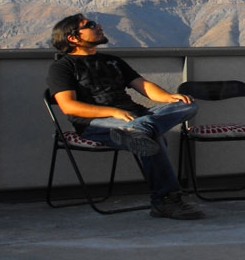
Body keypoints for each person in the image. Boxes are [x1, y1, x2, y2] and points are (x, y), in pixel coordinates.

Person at [46, 13, 204, 220]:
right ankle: (166, 200)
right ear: (73, 38)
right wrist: (113, 111)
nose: (99, 26)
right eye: (90, 25)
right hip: (98, 124)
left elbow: (142, 85)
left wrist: (168, 97)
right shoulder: (62, 67)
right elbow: (69, 106)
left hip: (136, 117)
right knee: (149, 136)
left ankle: (140, 129)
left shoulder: (112, 61)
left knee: (188, 105)